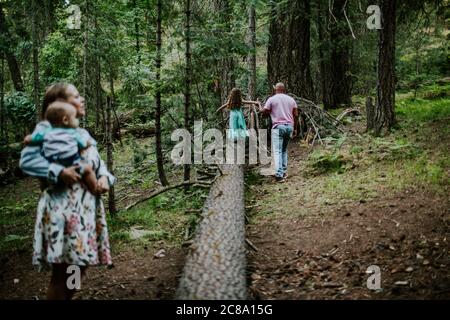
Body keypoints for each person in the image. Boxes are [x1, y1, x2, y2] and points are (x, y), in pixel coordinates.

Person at [19, 82, 115, 300]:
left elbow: (98, 166)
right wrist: (59, 171)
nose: (82, 100)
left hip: (86, 212)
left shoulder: (81, 133)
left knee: (78, 269)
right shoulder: (47, 133)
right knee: (62, 275)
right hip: (62, 211)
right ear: (59, 104)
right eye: (76, 96)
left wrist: (104, 179)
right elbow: (27, 161)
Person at [23, 101, 99, 195]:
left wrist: (28, 139)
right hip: (72, 162)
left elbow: (33, 138)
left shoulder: (46, 132)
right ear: (65, 120)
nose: (76, 120)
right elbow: (82, 144)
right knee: (87, 169)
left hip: (54, 162)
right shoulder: (72, 133)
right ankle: (95, 188)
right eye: (74, 118)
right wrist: (87, 143)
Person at [260, 82, 298, 182]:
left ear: (275, 89)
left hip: (278, 127)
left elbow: (264, 113)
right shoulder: (291, 100)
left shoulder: (272, 99)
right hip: (289, 126)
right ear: (284, 89)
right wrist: (295, 128)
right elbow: (296, 114)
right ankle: (283, 172)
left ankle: (279, 174)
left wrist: (260, 108)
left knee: (277, 151)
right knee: (284, 150)